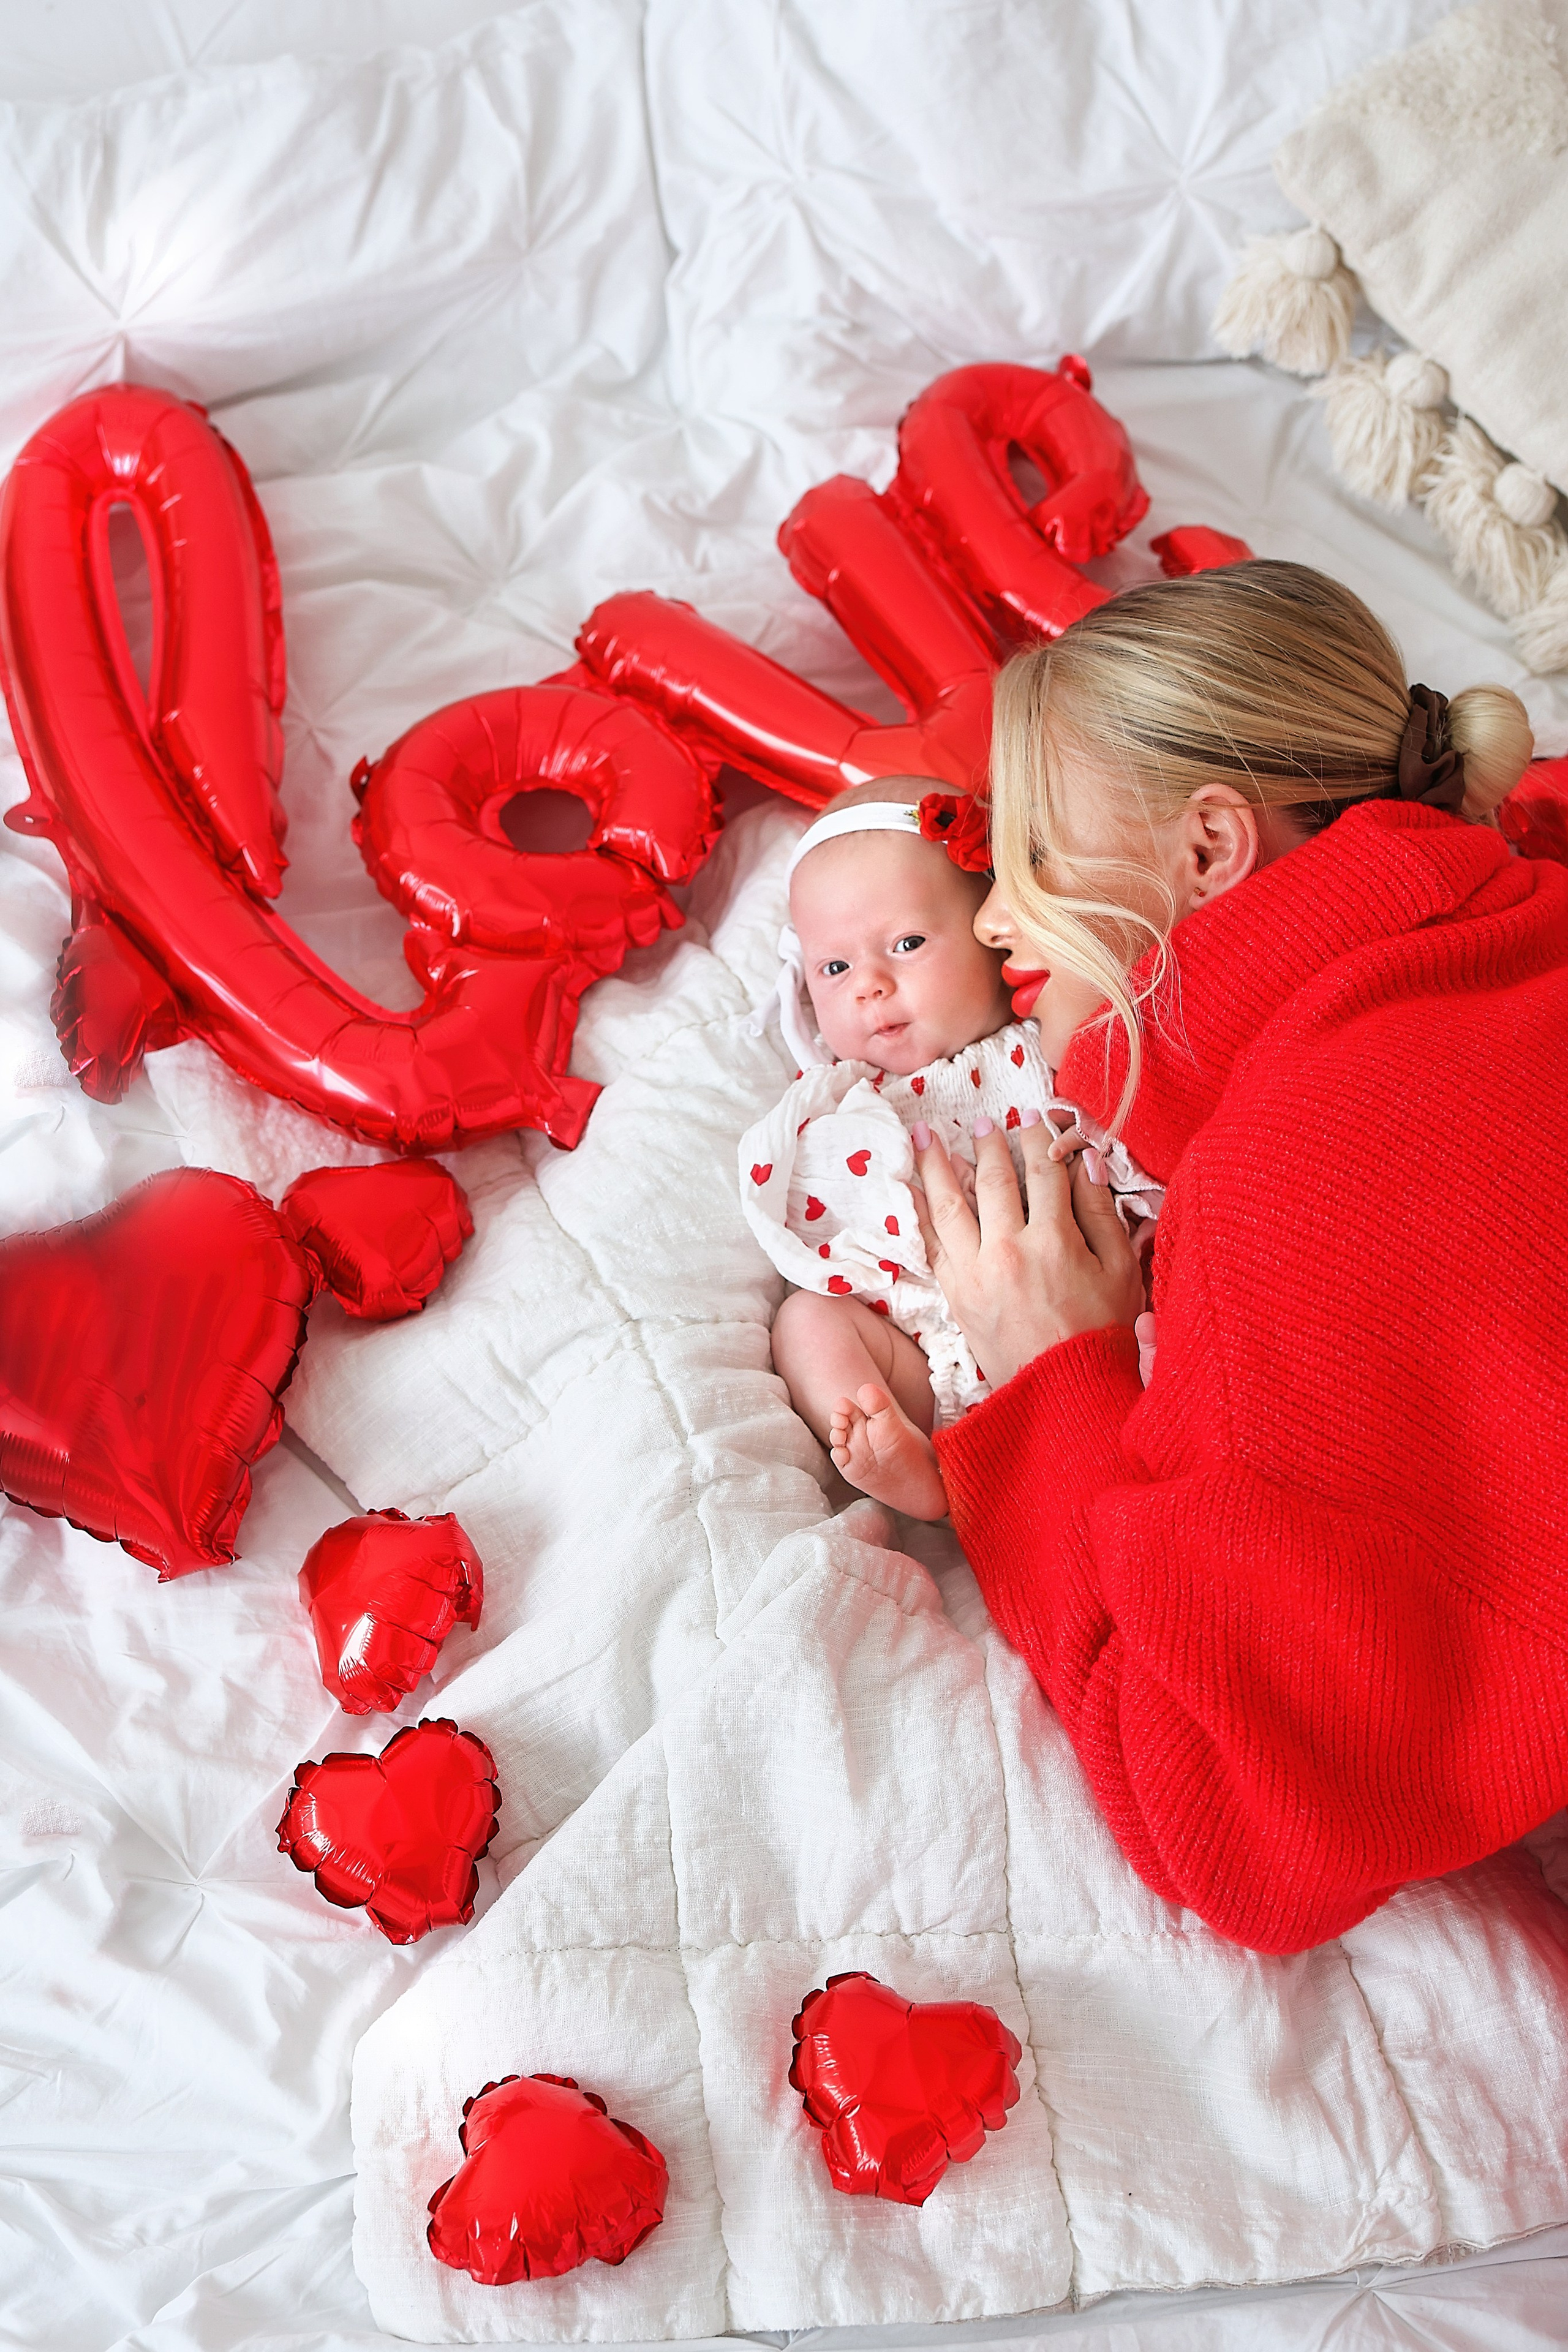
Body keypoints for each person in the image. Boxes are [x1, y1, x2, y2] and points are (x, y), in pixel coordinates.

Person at [909, 558, 1568, 1956]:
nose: (988, 921)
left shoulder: (1293, 1181)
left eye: (1032, 858)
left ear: (1208, 848)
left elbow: (1229, 1827)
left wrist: (1053, 1380)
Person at [741, 782, 1159, 1517]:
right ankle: (916, 1465)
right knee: (806, 1325)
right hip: (917, 1343)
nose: (868, 984)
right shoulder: (842, 1099)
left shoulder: (1048, 1042)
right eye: (833, 969)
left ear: (992, 925)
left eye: (906, 944)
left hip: (1084, 1308)